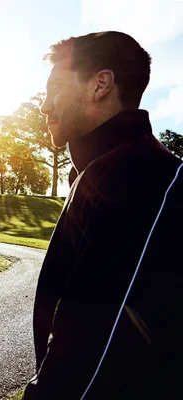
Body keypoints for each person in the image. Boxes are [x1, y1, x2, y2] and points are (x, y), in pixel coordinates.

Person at [24, 31, 183, 399]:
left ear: (101, 85)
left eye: (55, 90)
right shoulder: (94, 173)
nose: (45, 107)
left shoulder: (147, 178)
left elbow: (96, 345)